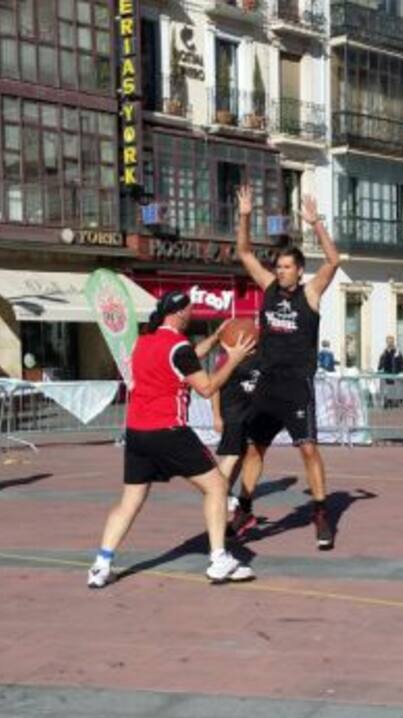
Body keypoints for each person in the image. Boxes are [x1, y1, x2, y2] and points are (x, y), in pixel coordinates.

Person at [88, 291, 257, 588]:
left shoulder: (144, 342)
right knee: (217, 487)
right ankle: (219, 559)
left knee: (130, 501)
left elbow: (184, 359)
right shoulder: (179, 347)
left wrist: (215, 338)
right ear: (179, 313)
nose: (192, 313)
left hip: (137, 433)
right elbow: (207, 387)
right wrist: (233, 359)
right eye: (189, 309)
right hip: (168, 431)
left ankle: (101, 565)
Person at [231, 185, 341, 550]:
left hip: (297, 385)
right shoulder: (268, 288)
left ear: (299, 270)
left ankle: (321, 513)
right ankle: (244, 508)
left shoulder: (311, 293)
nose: (280, 271)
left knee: (308, 449)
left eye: (287, 267)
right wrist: (245, 215)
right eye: (278, 266)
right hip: (268, 384)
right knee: (254, 449)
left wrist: (316, 223)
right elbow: (244, 252)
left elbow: (334, 260)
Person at [210, 326, 262, 509]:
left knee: (240, 456)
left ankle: (225, 491)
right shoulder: (227, 359)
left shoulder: (259, 357)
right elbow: (214, 388)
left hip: (248, 415)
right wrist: (216, 416)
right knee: (232, 455)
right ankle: (216, 492)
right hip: (232, 414)